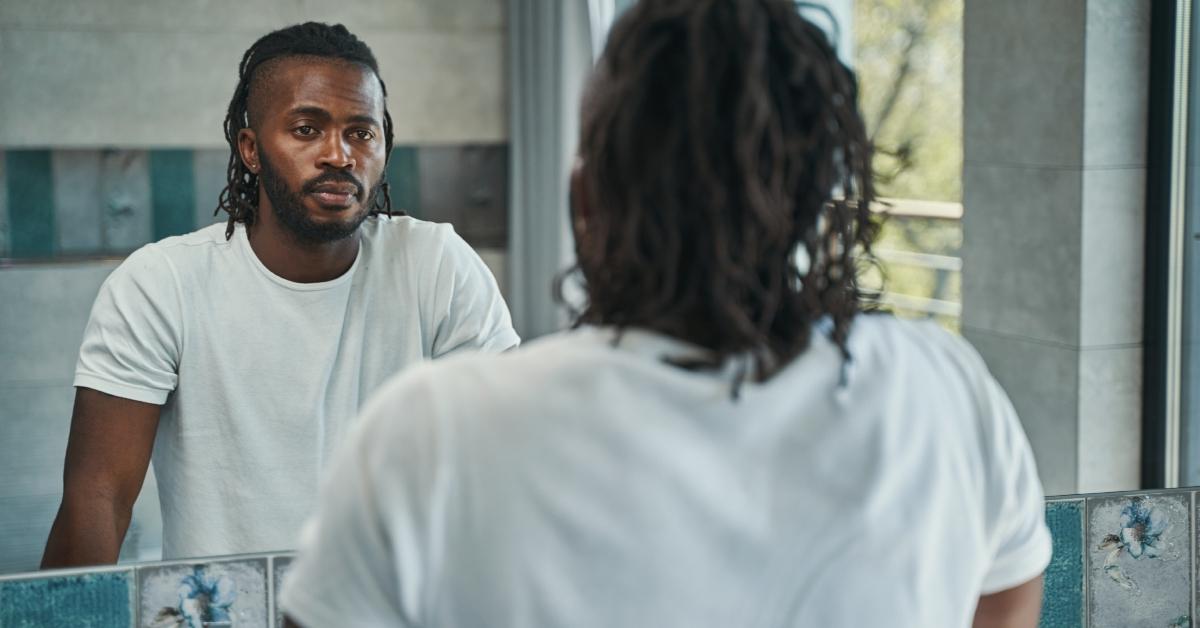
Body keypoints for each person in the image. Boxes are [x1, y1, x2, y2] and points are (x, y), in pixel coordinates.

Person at [280, 2, 1050, 626]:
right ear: (821, 197)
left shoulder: (436, 436)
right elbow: (1009, 593)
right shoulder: (943, 390)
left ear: (586, 201)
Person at [41, 22, 519, 568]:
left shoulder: (437, 266)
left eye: (361, 133)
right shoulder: (161, 285)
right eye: (306, 129)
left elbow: (505, 469)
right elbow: (97, 499)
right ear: (250, 148)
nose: (339, 155)